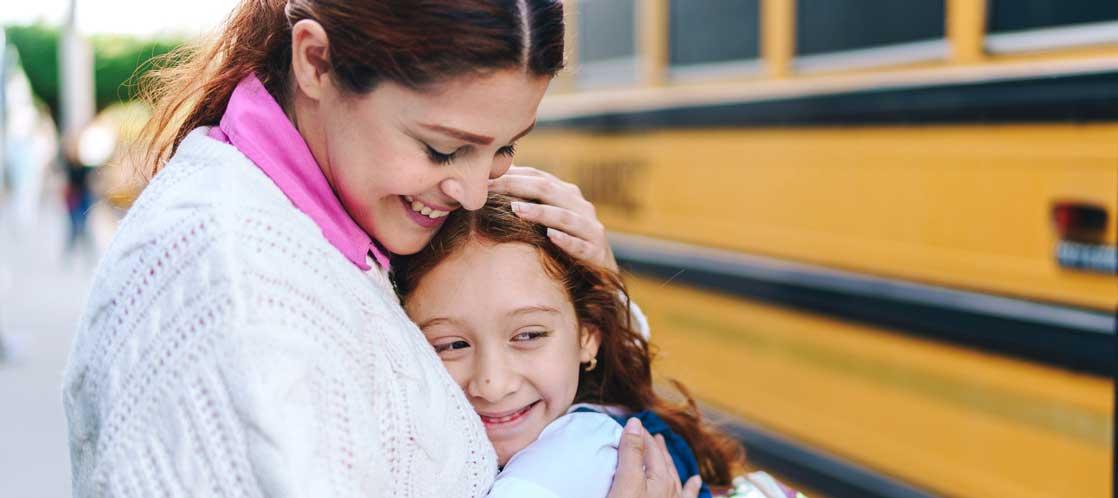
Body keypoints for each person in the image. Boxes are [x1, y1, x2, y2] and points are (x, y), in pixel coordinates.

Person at [62, 1, 692, 497]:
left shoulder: (334, 232)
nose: (475, 193)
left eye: (505, 149)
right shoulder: (236, 290)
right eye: (442, 148)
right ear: (315, 61)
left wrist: (589, 292)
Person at [397, 194, 805, 498]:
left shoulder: (565, 459)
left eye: (529, 335)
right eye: (451, 344)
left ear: (588, 338)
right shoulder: (607, 422)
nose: (493, 382)